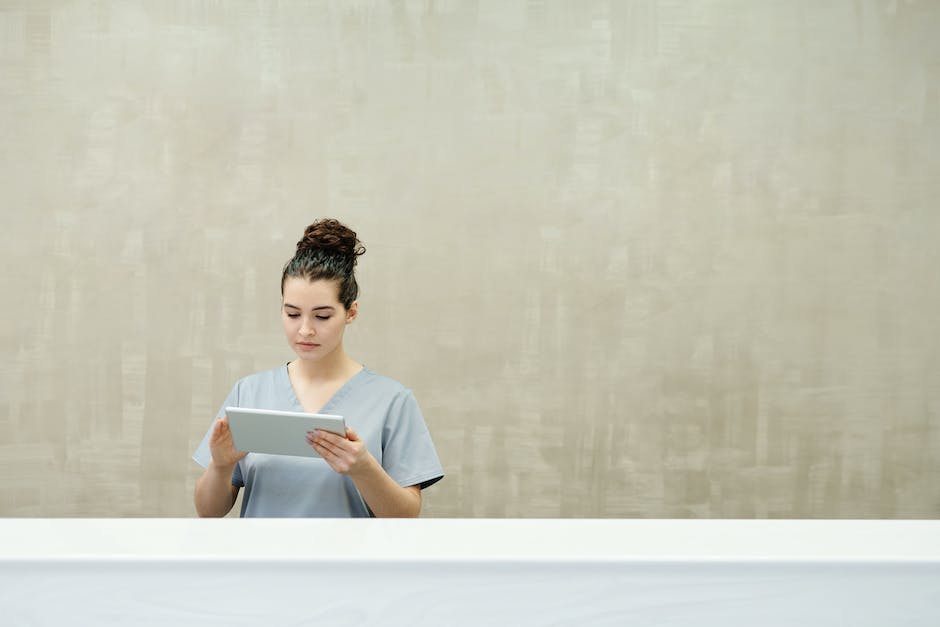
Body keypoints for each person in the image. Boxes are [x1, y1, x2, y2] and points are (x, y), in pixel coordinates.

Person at [192, 218, 444, 517]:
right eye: (293, 314)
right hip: (262, 562)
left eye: (322, 316)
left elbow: (406, 516)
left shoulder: (392, 400)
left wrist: (364, 469)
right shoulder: (249, 392)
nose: (305, 330)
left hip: (350, 563)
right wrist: (221, 467)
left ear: (350, 312)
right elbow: (209, 513)